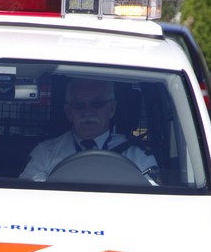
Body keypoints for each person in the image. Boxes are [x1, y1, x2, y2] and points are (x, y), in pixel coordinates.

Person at [20, 77, 158, 182]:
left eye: (97, 104)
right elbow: (30, 195)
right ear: (69, 112)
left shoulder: (136, 155)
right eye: (79, 105)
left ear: (111, 109)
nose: (87, 112)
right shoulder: (45, 153)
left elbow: (153, 199)